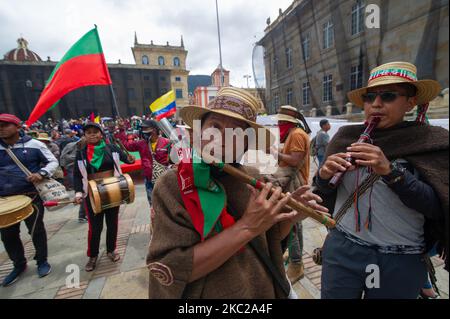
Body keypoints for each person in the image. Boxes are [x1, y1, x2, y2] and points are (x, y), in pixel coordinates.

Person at [146, 87, 329, 298]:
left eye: (237, 132)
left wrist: (288, 217)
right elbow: (171, 268)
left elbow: (269, 239)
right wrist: (247, 226)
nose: (222, 138)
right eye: (215, 126)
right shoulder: (172, 186)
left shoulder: (253, 177)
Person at [314, 61, 448, 299]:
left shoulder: (431, 141)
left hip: (399, 259)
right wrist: (323, 177)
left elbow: (436, 207)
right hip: (343, 249)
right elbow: (323, 199)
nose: (376, 104)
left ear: (410, 102)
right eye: (369, 97)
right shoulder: (346, 137)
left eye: (388, 96)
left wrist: (391, 172)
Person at [0, 113, 58, 286]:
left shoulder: (35, 144)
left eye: (5, 125)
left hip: (30, 196)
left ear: (18, 127)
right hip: (4, 199)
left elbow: (53, 162)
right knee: (8, 235)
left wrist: (41, 173)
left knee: (36, 230)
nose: (1, 128)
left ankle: (42, 261)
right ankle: (19, 264)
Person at [73, 122, 135, 272]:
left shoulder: (111, 148)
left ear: (101, 134)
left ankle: (110, 250)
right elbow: (76, 174)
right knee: (95, 227)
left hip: (113, 190)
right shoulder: (81, 153)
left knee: (112, 224)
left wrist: (129, 158)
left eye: (95, 132)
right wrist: (78, 193)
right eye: (88, 132)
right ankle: (93, 256)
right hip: (92, 193)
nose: (92, 134)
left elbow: (127, 160)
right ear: (85, 135)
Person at [273, 105, 312, 285]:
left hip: (294, 183)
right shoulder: (296, 133)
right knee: (293, 222)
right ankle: (295, 258)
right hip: (294, 183)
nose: (279, 124)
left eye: (281, 121)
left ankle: (296, 264)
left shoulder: (296, 134)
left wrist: (274, 153)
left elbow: (295, 160)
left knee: (292, 222)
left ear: (289, 122)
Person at [116, 119, 170, 205]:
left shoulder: (167, 142)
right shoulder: (141, 143)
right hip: (148, 180)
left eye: (146, 129)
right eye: (143, 129)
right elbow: (126, 145)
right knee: (153, 205)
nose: (144, 131)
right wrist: (122, 130)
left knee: (167, 203)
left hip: (164, 180)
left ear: (154, 130)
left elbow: (173, 160)